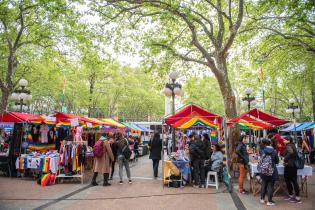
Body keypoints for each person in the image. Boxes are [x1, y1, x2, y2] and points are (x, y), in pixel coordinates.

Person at [259, 139, 279, 206]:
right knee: (270, 185)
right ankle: (269, 201)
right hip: (271, 171)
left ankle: (262, 199)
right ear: (270, 144)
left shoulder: (262, 151)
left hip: (263, 171)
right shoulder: (274, 151)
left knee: (264, 184)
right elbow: (277, 161)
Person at [283, 136, 301, 203]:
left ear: (288, 140)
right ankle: (291, 195)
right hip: (291, 165)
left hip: (290, 166)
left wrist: (285, 159)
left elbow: (291, 152)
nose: (283, 141)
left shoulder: (289, 146)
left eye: (284, 140)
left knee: (292, 181)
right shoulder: (292, 145)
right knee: (290, 180)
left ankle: (297, 198)